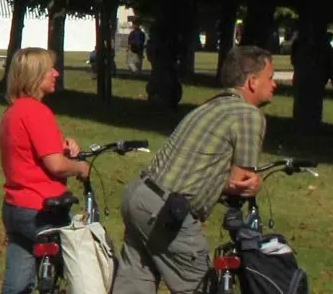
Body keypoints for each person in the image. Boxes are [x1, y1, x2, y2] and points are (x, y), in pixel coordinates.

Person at [114, 46, 276, 294]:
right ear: (252, 82)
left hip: (139, 195)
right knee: (201, 286)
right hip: (167, 211)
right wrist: (254, 184)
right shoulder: (248, 114)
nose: (274, 85)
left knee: (135, 285)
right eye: (270, 78)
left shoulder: (210, 107)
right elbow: (240, 181)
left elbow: (196, 168)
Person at [0, 48, 89, 294]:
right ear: (36, 75)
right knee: (85, 264)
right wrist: (80, 167)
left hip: (15, 207)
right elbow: (56, 166)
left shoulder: (14, 112)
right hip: (41, 209)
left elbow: (31, 151)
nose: (56, 74)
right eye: (50, 69)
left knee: (17, 283)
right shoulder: (37, 112)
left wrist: (62, 145)